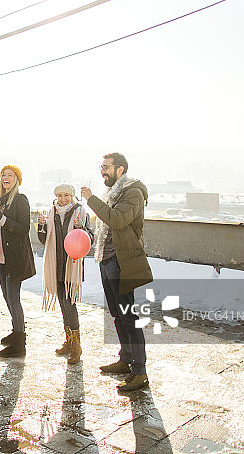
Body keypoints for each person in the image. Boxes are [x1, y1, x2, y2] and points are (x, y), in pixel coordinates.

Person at [80, 152, 153, 394]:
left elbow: (118, 220)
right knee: (117, 313)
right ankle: (126, 358)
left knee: (129, 315)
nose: (102, 171)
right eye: (101, 167)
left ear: (120, 169)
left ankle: (140, 371)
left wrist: (91, 200)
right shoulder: (113, 192)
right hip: (107, 258)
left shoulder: (132, 192)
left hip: (122, 261)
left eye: (106, 167)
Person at [37, 184, 94, 363]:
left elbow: (90, 238)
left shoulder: (80, 211)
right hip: (56, 264)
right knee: (63, 304)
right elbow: (42, 239)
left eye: (66, 195)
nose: (63, 199)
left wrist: (81, 229)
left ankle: (77, 346)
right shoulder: (51, 212)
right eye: (60, 195)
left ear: (72, 195)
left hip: (72, 264)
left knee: (70, 304)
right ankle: (69, 341)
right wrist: (41, 225)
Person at [0, 165, 36, 358]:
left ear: (17, 179)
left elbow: (24, 229)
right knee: (7, 297)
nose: (5, 177)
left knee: (14, 300)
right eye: (3, 175)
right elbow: (0, 228)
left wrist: (4, 220)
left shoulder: (20, 199)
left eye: (10, 175)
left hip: (14, 259)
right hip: (0, 257)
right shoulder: (1, 200)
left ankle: (19, 344)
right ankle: (16, 330)